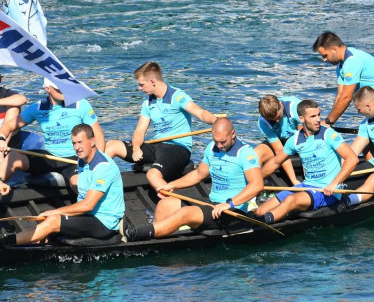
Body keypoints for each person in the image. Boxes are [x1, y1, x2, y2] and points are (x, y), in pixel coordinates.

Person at [126, 118, 264, 241]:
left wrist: (229, 204)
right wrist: (171, 185)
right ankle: (159, 239)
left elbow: (257, 185)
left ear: (233, 134)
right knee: (165, 204)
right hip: (213, 204)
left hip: (233, 212)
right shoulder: (212, 148)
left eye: (223, 142)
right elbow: (199, 174)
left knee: (185, 213)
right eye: (216, 141)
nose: (219, 146)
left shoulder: (246, 153)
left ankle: (136, 234)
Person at [0, 123, 124, 248]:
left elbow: (87, 205)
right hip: (87, 217)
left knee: (53, 220)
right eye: (74, 143)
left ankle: (6, 242)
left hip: (104, 223)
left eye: (80, 142)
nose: (77, 147)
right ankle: (7, 241)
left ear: (93, 141)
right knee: (49, 223)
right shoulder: (82, 161)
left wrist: (55, 212)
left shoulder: (103, 167)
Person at [109, 61, 219, 192]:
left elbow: (200, 113)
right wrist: (137, 147)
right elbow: (139, 130)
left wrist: (216, 121)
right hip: (157, 146)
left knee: (152, 174)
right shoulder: (148, 101)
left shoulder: (177, 96)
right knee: (111, 145)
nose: (139, 88)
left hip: (177, 148)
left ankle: (167, 199)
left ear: (153, 82)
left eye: (141, 84)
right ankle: (96, 185)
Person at [254, 99, 359, 224]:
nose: (318, 119)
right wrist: (255, 182)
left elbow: (352, 159)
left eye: (319, 115)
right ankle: (258, 219)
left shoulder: (329, 135)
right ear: (301, 119)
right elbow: (275, 162)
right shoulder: (295, 140)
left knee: (291, 200)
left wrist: (335, 183)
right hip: (306, 186)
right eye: (313, 116)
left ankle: (262, 224)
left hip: (327, 191)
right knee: (260, 211)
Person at [0, 79, 105, 188]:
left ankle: (89, 204)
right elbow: (8, 126)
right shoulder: (38, 107)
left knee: (77, 183)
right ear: (48, 88)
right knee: (13, 157)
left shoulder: (80, 104)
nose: (64, 91)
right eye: (59, 89)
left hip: (74, 159)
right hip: (49, 157)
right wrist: (1, 138)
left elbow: (98, 136)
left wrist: (97, 165)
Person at [313, 31, 374, 126]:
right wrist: (329, 121)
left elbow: (346, 97)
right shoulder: (341, 66)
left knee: (366, 133)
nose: (324, 59)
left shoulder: (352, 61)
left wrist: (329, 121)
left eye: (325, 55)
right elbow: (340, 96)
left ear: (334, 49)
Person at [254, 94, 300, 185]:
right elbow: (279, 151)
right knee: (256, 153)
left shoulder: (295, 107)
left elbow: (305, 142)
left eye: (279, 117)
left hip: (299, 139)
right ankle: (255, 186)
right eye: (273, 120)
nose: (278, 121)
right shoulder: (263, 122)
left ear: (280, 104)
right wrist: (294, 180)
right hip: (281, 141)